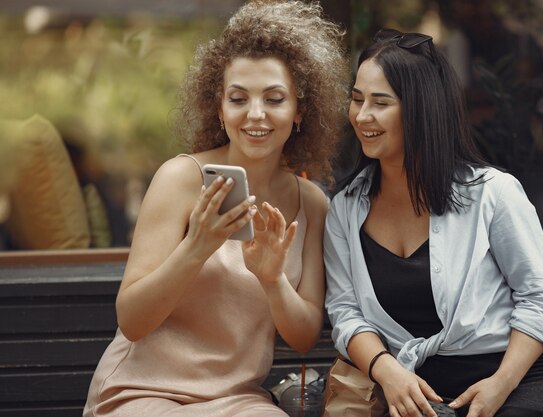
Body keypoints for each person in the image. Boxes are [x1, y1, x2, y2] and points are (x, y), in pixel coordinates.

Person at [83, 1, 348, 416]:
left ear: (299, 110)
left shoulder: (311, 202)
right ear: (220, 108)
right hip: (142, 391)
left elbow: (302, 337)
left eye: (275, 99)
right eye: (238, 98)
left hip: (236, 400)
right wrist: (198, 247)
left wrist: (273, 279)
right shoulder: (181, 179)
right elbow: (131, 320)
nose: (255, 114)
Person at [324, 28, 543, 417]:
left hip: (512, 382)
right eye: (356, 100)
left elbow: (540, 300)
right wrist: (387, 371)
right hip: (413, 390)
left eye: (380, 102)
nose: (362, 116)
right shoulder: (345, 207)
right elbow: (345, 312)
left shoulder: (493, 193)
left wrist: (500, 385)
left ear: (420, 109)